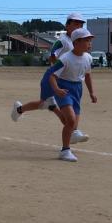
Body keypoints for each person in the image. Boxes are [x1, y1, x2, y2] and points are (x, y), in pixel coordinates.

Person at [11, 13, 86, 124]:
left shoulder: (77, 42)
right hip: (53, 77)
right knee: (44, 104)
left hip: (65, 79)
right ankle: (21, 109)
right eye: (76, 24)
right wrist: (57, 64)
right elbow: (53, 53)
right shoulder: (63, 41)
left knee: (47, 105)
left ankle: (25, 109)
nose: (78, 27)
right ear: (67, 25)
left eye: (81, 25)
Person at [46, 28, 98, 162]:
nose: (90, 43)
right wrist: (57, 89)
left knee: (72, 124)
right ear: (76, 42)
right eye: (87, 40)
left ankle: (53, 107)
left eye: (90, 40)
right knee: (70, 120)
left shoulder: (88, 58)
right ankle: (65, 151)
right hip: (64, 89)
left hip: (77, 89)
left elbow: (87, 76)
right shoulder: (65, 58)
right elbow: (52, 75)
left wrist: (92, 92)